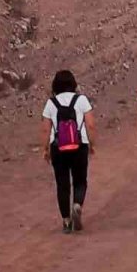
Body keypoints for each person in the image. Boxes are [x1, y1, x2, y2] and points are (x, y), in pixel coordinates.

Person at [41, 69, 95, 233]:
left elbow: (45, 129)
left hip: (58, 147)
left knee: (62, 184)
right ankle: (77, 204)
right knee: (80, 180)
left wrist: (45, 149)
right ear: (73, 83)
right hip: (79, 145)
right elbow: (90, 124)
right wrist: (92, 144)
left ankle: (66, 221)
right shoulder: (82, 100)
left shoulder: (51, 103)